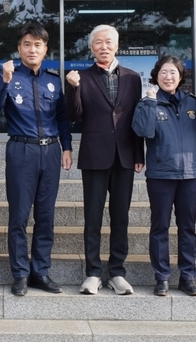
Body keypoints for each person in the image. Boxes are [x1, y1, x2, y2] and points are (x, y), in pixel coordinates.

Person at [0, 23, 73, 296]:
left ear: (45, 49)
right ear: (19, 48)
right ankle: (20, 274)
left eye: (37, 45)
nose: (32, 49)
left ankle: (41, 272)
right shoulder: (8, 76)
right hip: (21, 151)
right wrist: (5, 80)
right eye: (27, 44)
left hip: (51, 151)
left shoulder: (54, 80)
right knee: (19, 216)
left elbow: (62, 116)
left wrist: (67, 146)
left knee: (45, 216)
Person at [65, 24, 144, 295]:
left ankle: (117, 271)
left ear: (117, 46)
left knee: (120, 216)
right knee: (93, 216)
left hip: (125, 155)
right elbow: (73, 115)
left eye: (109, 42)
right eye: (98, 42)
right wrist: (72, 89)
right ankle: (93, 272)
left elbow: (136, 118)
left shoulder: (133, 78)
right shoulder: (81, 78)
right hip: (94, 155)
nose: (104, 46)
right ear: (91, 47)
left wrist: (139, 153)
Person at [132, 55, 196, 297]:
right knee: (160, 227)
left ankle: (188, 277)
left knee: (188, 227)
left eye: (173, 73)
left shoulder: (193, 104)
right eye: (163, 73)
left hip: (189, 175)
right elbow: (143, 131)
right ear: (156, 76)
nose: (168, 77)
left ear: (180, 76)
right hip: (160, 174)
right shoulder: (148, 103)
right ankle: (162, 277)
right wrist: (149, 102)